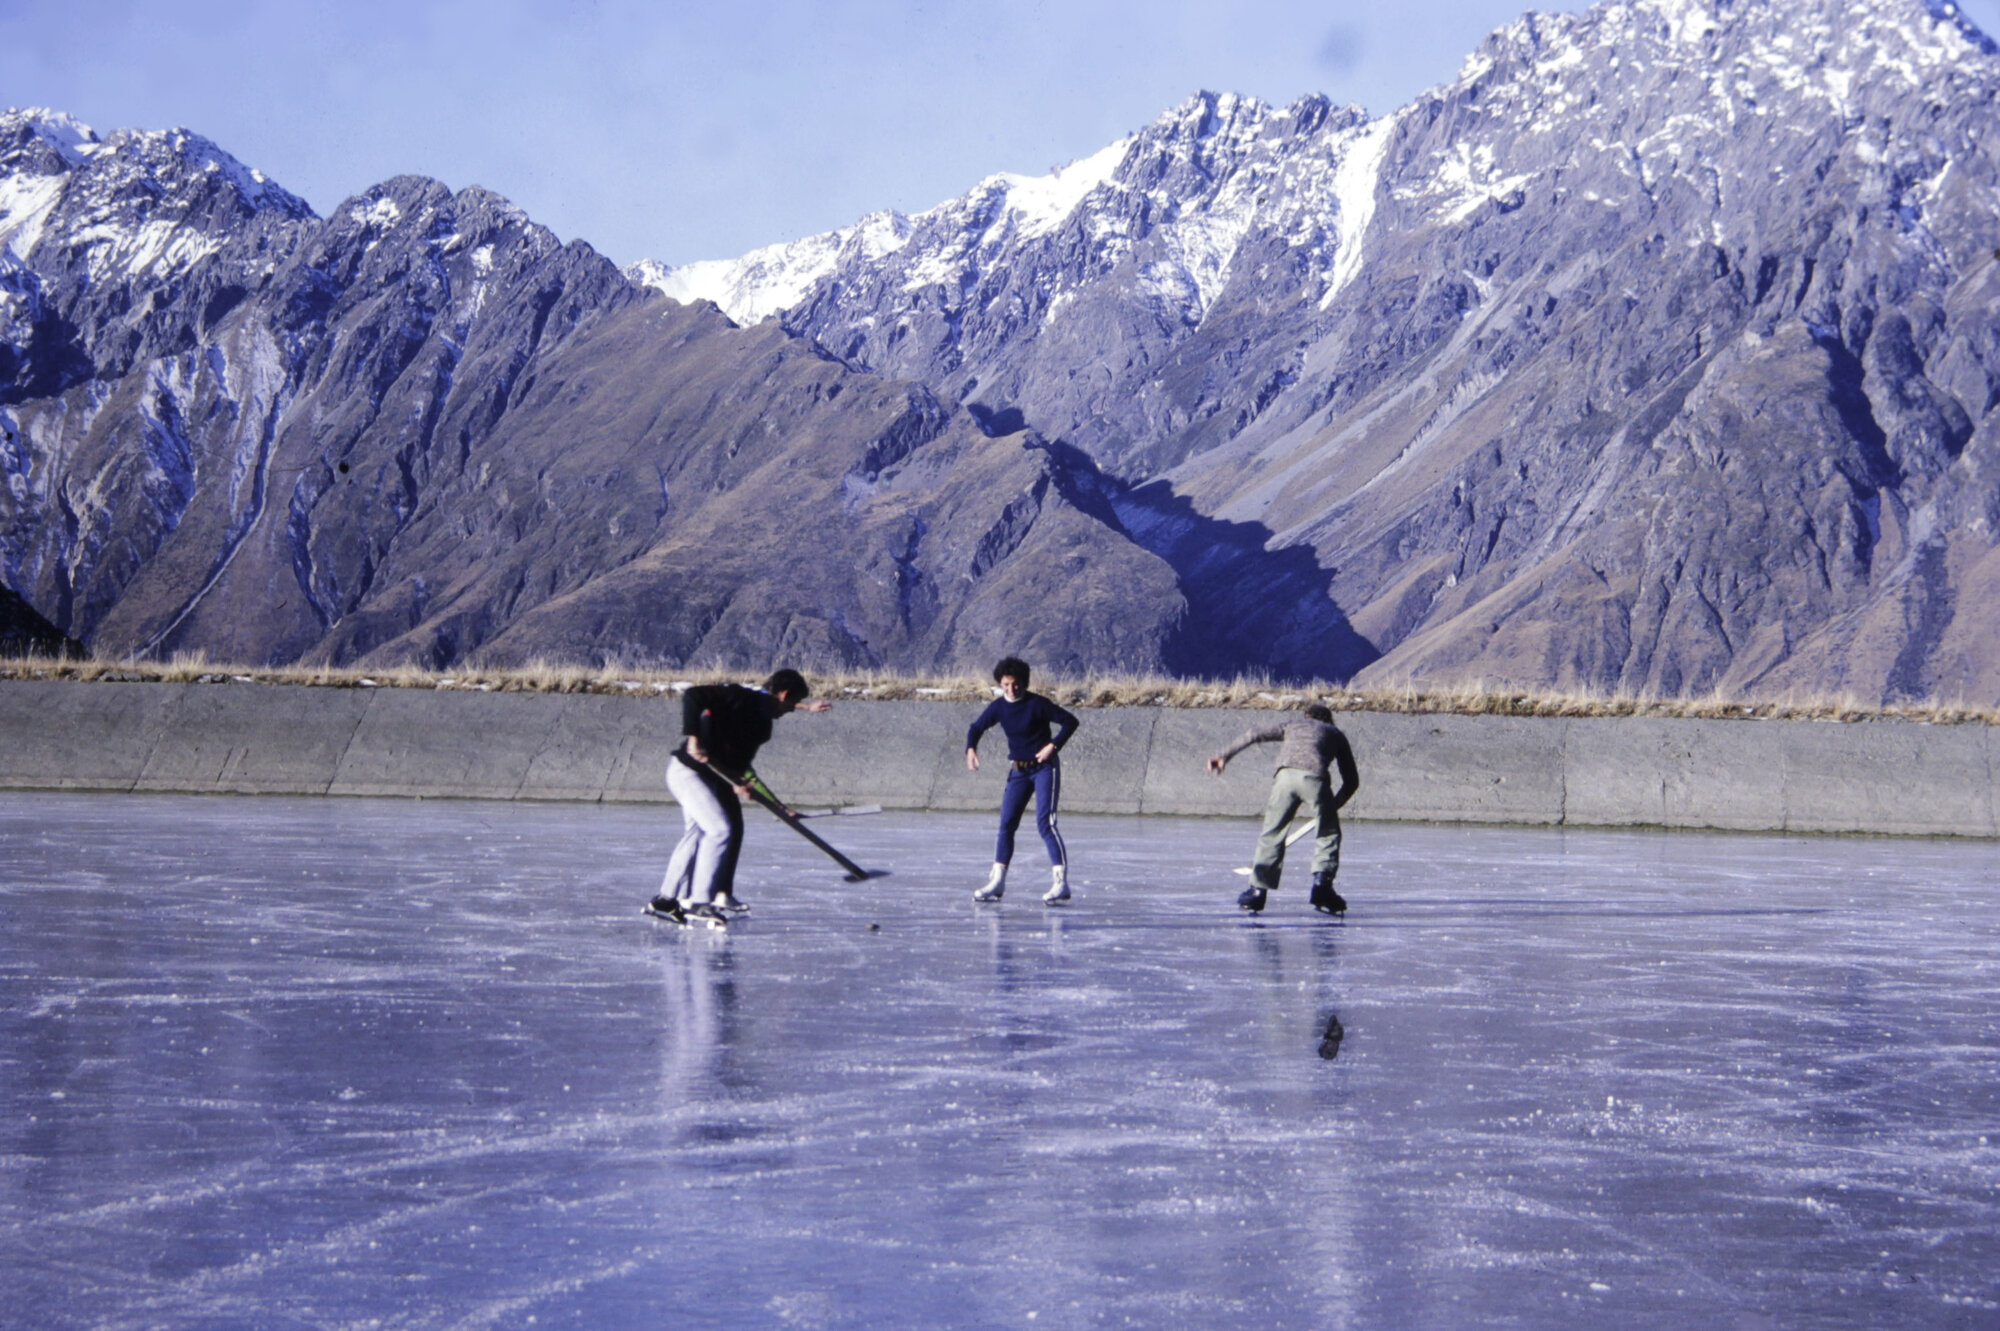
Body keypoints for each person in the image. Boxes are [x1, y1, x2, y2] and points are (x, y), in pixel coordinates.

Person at [652, 668, 830, 926]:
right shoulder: (740, 697)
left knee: (697, 834)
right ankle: (699, 903)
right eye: (793, 703)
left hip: (706, 776)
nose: (793, 709)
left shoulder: (762, 727)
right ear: (784, 694)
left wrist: (753, 791)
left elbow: (743, 768)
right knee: (720, 830)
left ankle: (665, 900)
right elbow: (692, 695)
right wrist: (693, 739)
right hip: (687, 771)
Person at [1207, 702, 1359, 915]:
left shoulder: (1293, 725)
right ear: (1329, 720)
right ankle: (1322, 887)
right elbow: (1352, 781)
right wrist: (1333, 806)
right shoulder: (1335, 733)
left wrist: (1224, 755)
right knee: (1328, 834)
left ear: (1306, 716)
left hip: (1284, 778)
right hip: (1315, 778)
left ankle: (1257, 892)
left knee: (1272, 833)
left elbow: (1253, 734)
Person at [964, 656, 1080, 905]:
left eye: (1015, 684)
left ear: (1024, 683)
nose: (1010, 689)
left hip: (1044, 768)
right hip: (1018, 771)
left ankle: (1061, 883)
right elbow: (976, 727)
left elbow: (1070, 722)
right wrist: (971, 749)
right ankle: (997, 881)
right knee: (1006, 824)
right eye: (1005, 684)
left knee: (1045, 824)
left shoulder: (1037, 704)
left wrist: (1053, 746)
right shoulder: (998, 707)